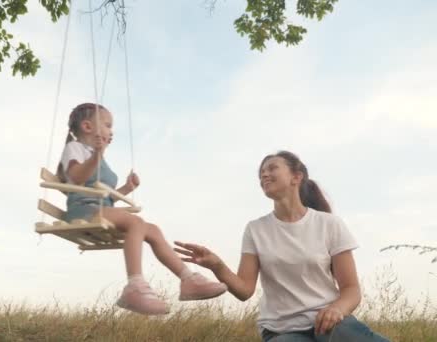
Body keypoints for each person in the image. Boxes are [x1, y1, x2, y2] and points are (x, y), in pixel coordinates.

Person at [175, 151, 389, 341]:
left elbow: (351, 289)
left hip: (329, 320)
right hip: (282, 331)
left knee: (347, 333)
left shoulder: (328, 224)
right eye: (261, 172)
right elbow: (244, 291)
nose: (264, 175)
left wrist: (336, 309)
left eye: (272, 168)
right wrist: (217, 265)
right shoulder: (256, 229)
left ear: (296, 177)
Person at [58, 103, 227, 315]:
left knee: (152, 229)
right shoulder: (75, 148)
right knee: (136, 222)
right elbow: (76, 178)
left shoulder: (95, 153)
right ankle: (135, 286)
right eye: (108, 125)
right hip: (82, 209)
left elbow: (104, 195)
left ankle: (188, 279)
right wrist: (97, 155)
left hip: (98, 207)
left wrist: (127, 188)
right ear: (87, 126)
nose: (112, 130)